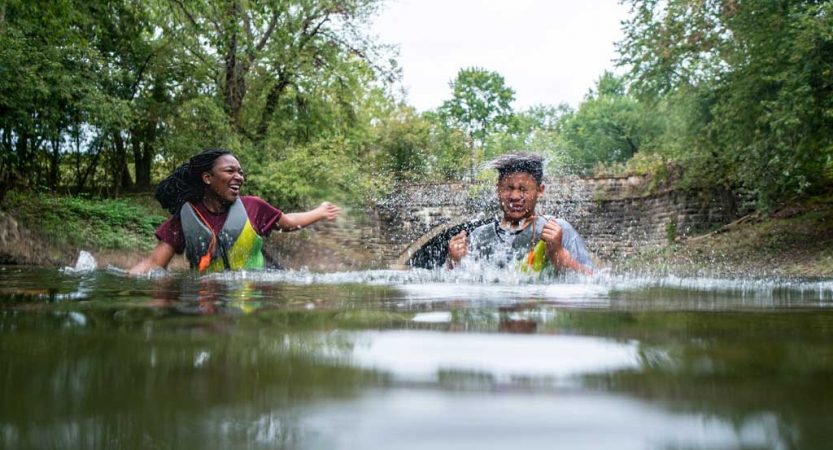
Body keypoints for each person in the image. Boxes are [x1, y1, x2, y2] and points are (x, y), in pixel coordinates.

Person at [129, 148, 340, 275]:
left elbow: (289, 222)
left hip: (255, 303)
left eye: (240, 172)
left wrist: (320, 212)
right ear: (207, 178)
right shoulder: (185, 219)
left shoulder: (253, 207)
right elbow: (154, 263)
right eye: (230, 171)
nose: (239, 177)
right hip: (207, 305)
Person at [446, 153, 593, 275]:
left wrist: (558, 253)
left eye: (523, 189)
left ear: (540, 190)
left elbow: (591, 280)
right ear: (498, 189)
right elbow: (456, 285)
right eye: (508, 188)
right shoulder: (479, 236)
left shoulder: (557, 230)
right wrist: (454, 261)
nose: (515, 196)